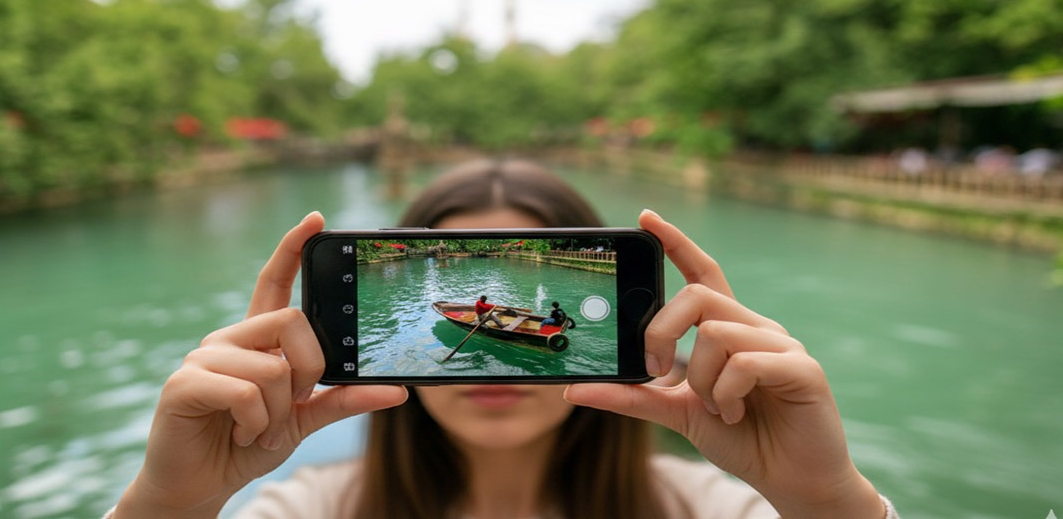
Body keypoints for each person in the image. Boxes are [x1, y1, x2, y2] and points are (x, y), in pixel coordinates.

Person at [109, 158, 898, 519]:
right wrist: (171, 504)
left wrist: (827, 502)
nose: (502, 380)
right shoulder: (307, 509)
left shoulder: (715, 509)